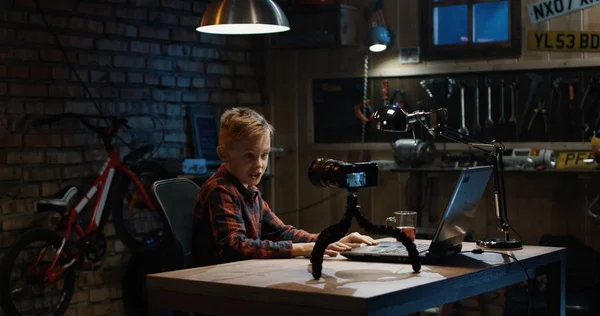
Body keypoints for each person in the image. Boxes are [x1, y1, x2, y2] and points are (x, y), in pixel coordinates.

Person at [191, 107, 378, 267]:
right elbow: (235, 246)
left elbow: (281, 232)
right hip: (216, 285)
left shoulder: (249, 190)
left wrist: (328, 241)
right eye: (249, 156)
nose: (259, 165)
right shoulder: (221, 189)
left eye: (264, 155)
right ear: (224, 154)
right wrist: (300, 249)